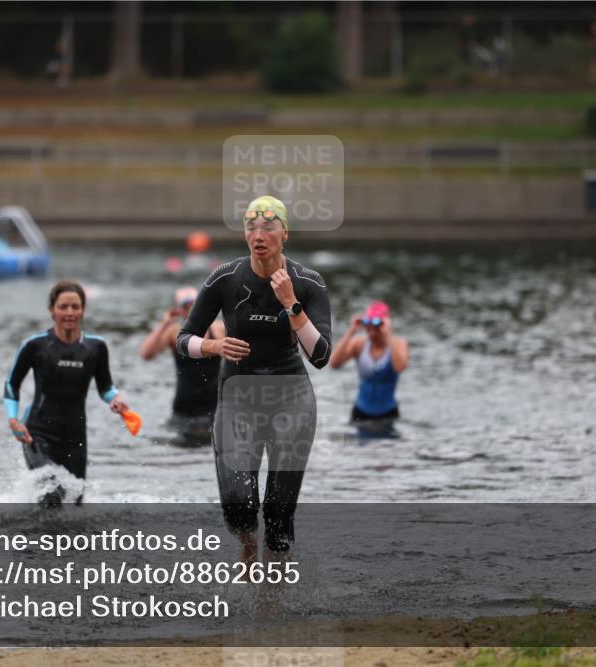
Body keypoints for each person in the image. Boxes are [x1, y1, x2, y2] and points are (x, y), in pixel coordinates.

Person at [176, 195, 332, 563]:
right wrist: (213, 348)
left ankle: (273, 598)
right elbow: (184, 339)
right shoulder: (224, 278)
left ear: (285, 233)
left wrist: (291, 303)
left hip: (291, 395)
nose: (258, 234)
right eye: (251, 226)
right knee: (239, 503)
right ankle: (248, 552)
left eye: (268, 226)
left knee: (278, 513)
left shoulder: (308, 282)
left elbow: (321, 356)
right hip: (238, 396)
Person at [4, 280, 130, 505]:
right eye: (63, 307)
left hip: (75, 437)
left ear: (83, 310)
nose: (69, 312)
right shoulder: (35, 345)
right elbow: (12, 384)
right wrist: (13, 420)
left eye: (75, 307)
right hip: (37, 434)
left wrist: (116, 400)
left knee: (75, 504)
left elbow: (106, 387)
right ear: (52, 310)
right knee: (52, 492)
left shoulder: (96, 348)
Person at [139, 286, 224, 443]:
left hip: (214, 410)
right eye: (186, 305)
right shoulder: (174, 333)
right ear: (179, 310)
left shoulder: (218, 330)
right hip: (184, 411)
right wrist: (164, 324)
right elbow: (146, 354)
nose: (191, 309)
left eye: (194, 303)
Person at [329, 301, 408, 424]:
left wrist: (388, 335)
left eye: (376, 329)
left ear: (385, 326)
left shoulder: (398, 344)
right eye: (368, 328)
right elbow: (334, 363)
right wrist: (351, 331)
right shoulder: (359, 345)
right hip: (361, 413)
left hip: (388, 414)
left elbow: (400, 367)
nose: (371, 333)